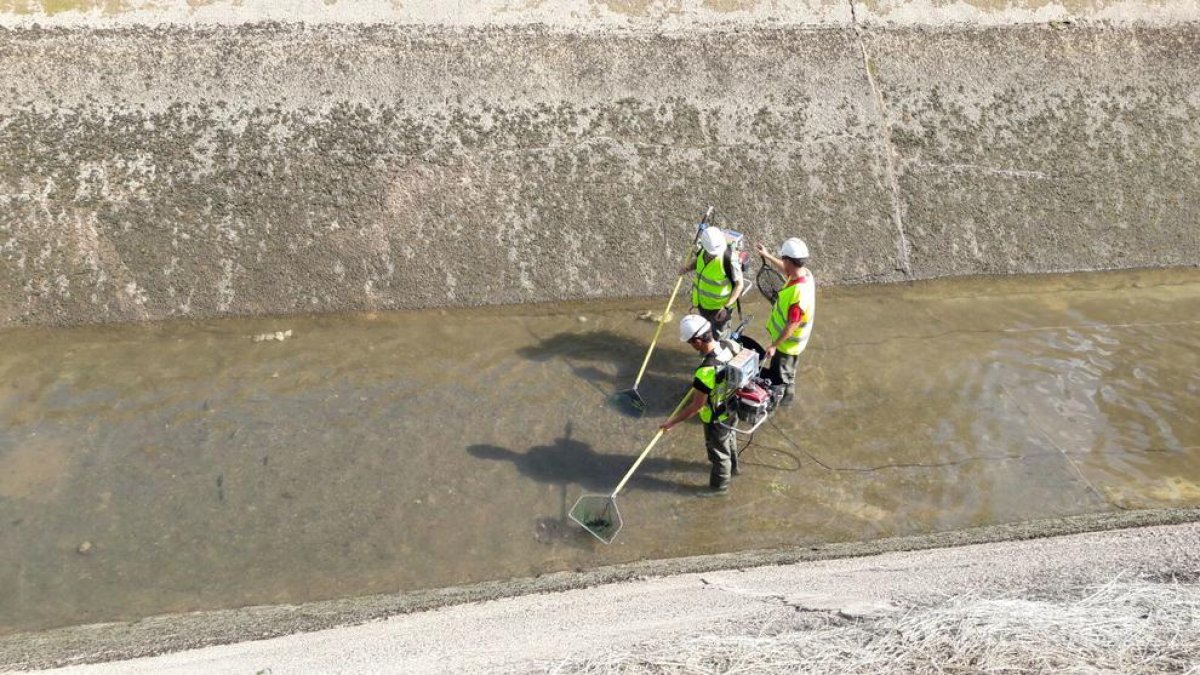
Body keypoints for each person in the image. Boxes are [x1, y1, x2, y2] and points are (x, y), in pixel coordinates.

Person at [659, 314, 740, 493]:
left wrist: (672, 422)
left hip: (715, 419)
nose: (692, 346)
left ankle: (719, 489)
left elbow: (696, 407)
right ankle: (735, 469)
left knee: (719, 456)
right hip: (733, 407)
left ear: (697, 341)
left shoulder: (704, 372)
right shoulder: (730, 346)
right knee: (730, 439)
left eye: (690, 343)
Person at [754, 237, 815, 406]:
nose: (782, 262)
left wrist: (774, 345)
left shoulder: (799, 293)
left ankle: (784, 405)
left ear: (789, 261)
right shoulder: (805, 274)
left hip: (787, 346)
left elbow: (792, 324)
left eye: (783, 259)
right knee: (785, 372)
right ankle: (784, 399)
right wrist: (767, 256)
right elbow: (786, 269)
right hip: (786, 343)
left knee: (782, 378)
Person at [679, 227, 744, 338]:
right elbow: (699, 262)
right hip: (703, 305)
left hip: (720, 309)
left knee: (720, 337)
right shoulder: (702, 251)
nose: (715, 254)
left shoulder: (729, 259)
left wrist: (726, 308)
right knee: (704, 334)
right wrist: (688, 268)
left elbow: (739, 285)